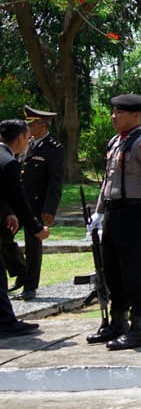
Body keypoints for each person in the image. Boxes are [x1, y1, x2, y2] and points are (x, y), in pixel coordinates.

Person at [87, 94, 141, 350]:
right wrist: (99, 211)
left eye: (119, 112)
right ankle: (117, 321)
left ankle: (139, 329)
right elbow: (107, 181)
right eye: (113, 112)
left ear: (136, 115)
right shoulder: (115, 142)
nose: (114, 116)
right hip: (114, 211)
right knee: (112, 271)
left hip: (135, 211)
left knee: (133, 272)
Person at [0, 119, 50, 337]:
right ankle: (5, 323)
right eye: (27, 137)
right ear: (20, 138)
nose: (29, 141)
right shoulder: (8, 162)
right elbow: (18, 198)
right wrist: (36, 227)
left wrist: (7, 212)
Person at [15, 106, 64, 301]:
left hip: (37, 203)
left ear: (41, 125)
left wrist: (49, 209)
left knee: (33, 245)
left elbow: (55, 181)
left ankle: (30, 286)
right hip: (18, 201)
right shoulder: (27, 144)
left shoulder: (54, 149)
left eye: (31, 124)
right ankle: (20, 271)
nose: (28, 128)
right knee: (5, 238)